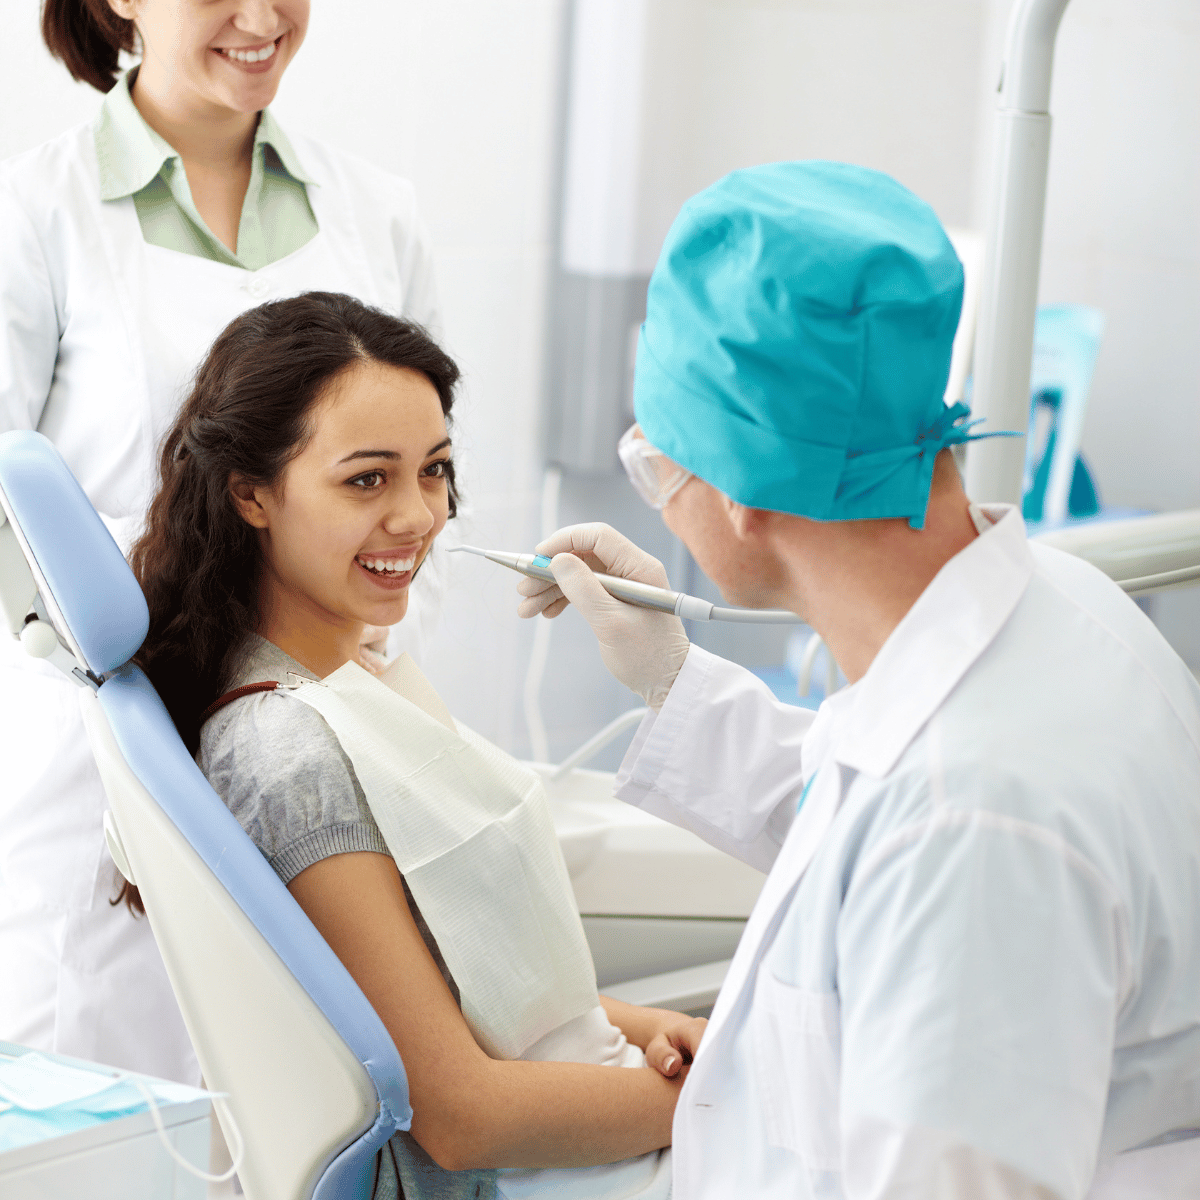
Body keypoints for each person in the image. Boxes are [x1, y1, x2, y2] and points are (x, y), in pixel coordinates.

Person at [516, 162, 1200, 1199]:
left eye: (658, 462)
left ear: (742, 491)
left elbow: (932, 840)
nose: (660, 496)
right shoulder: (1053, 611)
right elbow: (865, 811)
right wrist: (670, 678)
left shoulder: (976, 827)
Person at [130, 290, 702, 1199]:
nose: (419, 517)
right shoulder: (289, 751)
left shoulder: (357, 675)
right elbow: (461, 1115)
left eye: (433, 470)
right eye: (367, 479)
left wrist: (630, 1027)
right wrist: (725, 1099)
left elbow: (442, 983)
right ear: (250, 494)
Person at [0, 0, 440, 1084]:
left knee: (306, 1095)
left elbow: (418, 474)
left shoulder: (375, 213)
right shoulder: (35, 211)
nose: (260, 18)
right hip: (107, 744)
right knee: (114, 1097)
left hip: (323, 721)